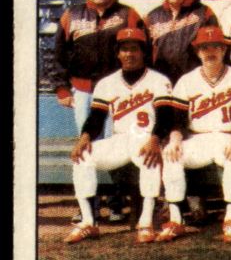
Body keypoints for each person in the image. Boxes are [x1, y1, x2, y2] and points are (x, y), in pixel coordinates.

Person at [64, 28, 172, 245]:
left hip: (147, 137)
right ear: (118, 53)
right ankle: (88, 221)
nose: (129, 54)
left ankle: (146, 221)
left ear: (143, 52)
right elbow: (96, 118)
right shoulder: (106, 83)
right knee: (82, 157)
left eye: (134, 49)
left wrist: (155, 139)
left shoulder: (159, 80)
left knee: (149, 157)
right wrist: (84, 138)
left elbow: (165, 116)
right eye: (124, 49)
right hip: (121, 138)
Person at [159, 25, 231, 243]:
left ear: (224, 50)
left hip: (227, 135)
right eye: (204, 48)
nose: (210, 52)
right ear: (197, 51)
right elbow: (178, 119)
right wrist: (175, 139)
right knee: (171, 154)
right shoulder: (186, 80)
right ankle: (176, 218)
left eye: (215, 47)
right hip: (198, 138)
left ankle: (230, 217)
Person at [53, 0, 144, 134]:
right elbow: (60, 53)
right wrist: (61, 88)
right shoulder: (71, 15)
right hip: (83, 90)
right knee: (87, 139)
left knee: (113, 140)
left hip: (117, 89)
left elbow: (143, 52)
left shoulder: (128, 14)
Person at [145, 0, 219, 84]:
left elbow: (215, 48)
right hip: (161, 80)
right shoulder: (152, 16)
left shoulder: (203, 13)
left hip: (194, 80)